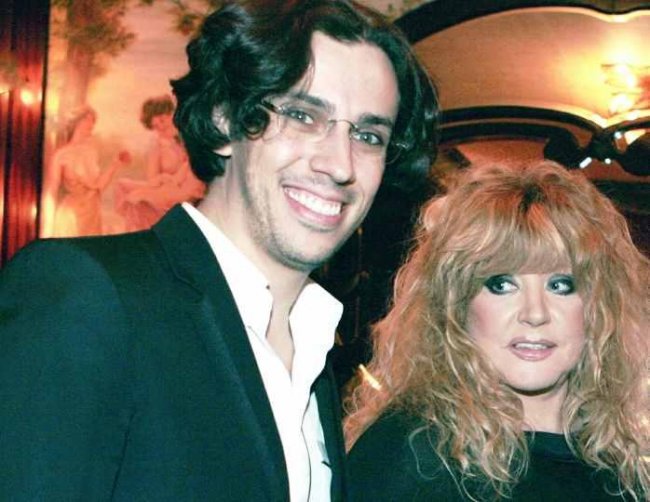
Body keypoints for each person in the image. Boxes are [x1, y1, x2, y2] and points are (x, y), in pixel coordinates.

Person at [0, 1, 438, 500]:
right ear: (225, 118)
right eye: (302, 115)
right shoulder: (84, 294)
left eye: (368, 135)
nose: (341, 164)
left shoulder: (313, 350)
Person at [345, 161, 649, 501]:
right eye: (502, 284)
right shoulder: (411, 454)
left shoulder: (627, 470)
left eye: (561, 285)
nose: (535, 313)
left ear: (600, 305)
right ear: (455, 304)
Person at [115, 95, 206, 231]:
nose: (160, 128)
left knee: (140, 197)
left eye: (162, 121)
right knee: (133, 196)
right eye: (155, 126)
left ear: (171, 115)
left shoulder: (188, 137)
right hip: (169, 189)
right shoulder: (157, 147)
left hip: (190, 188)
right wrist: (164, 178)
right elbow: (152, 179)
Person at [40, 106, 131, 237]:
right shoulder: (61, 155)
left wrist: (115, 164)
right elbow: (51, 193)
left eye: (93, 120)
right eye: (88, 119)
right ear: (77, 122)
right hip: (71, 216)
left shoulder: (91, 152)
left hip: (92, 214)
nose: (92, 124)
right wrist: (48, 225)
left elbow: (99, 186)